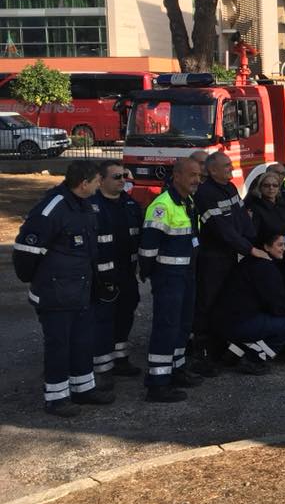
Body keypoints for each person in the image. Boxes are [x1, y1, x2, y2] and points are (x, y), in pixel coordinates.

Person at [14, 160, 114, 416]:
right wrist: (44, 282)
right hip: (56, 294)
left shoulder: (84, 205)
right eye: (96, 181)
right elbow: (26, 251)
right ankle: (57, 398)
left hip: (81, 290)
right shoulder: (52, 208)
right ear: (84, 184)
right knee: (59, 345)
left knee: (82, 341)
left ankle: (83, 390)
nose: (99, 184)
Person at [192, 152, 266, 375]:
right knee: (207, 303)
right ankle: (202, 354)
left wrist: (252, 240)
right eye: (225, 166)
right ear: (212, 170)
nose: (230, 168)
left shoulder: (231, 188)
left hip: (233, 256)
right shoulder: (205, 194)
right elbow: (222, 229)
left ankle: (223, 346)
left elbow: (242, 219)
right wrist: (250, 249)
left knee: (228, 302)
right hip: (213, 258)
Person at [138, 156, 203, 402]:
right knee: (166, 327)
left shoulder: (188, 201)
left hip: (186, 274)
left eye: (199, 175)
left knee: (183, 325)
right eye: (192, 175)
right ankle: (158, 382)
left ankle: (176, 369)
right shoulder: (163, 205)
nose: (197, 179)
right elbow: (148, 249)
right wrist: (150, 273)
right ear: (177, 176)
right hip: (169, 277)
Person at [90, 160, 143, 384]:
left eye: (124, 176)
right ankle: (102, 368)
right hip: (101, 276)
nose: (123, 181)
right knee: (103, 320)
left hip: (126, 273)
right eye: (117, 177)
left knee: (125, 314)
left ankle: (120, 358)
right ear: (101, 180)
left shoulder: (130, 205)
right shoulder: (91, 207)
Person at [214, 232, 285, 372]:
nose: (284, 248)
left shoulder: (247, 261)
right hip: (238, 324)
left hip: (222, 321)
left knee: (261, 320)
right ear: (266, 247)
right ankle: (253, 360)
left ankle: (234, 353)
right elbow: (275, 304)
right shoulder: (266, 267)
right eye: (280, 244)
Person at [246, 171, 285, 251]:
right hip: (269, 253)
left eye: (275, 185)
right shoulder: (255, 208)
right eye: (266, 185)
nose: (271, 188)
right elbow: (254, 237)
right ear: (260, 187)